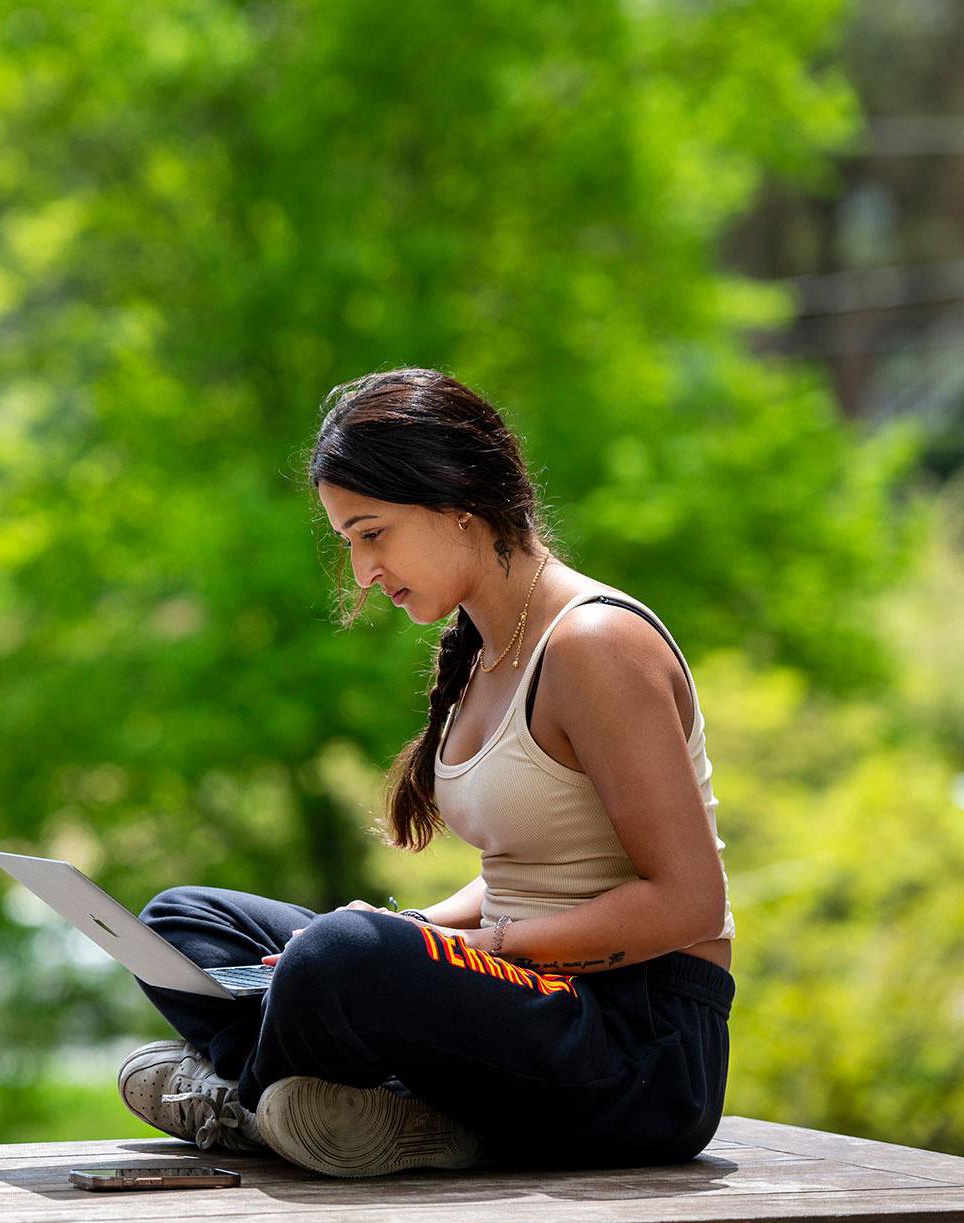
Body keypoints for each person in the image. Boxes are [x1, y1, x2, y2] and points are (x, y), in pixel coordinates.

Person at [118, 367, 736, 1178]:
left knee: (341, 956)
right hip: (523, 996)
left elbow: (690, 902)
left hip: (637, 1047)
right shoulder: (485, 650)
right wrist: (426, 930)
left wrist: (468, 947)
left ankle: (243, 1102)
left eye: (372, 533)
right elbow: (537, 864)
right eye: (349, 543)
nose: (364, 571)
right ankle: (403, 1112)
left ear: (459, 503)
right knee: (183, 919)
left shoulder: (595, 647)